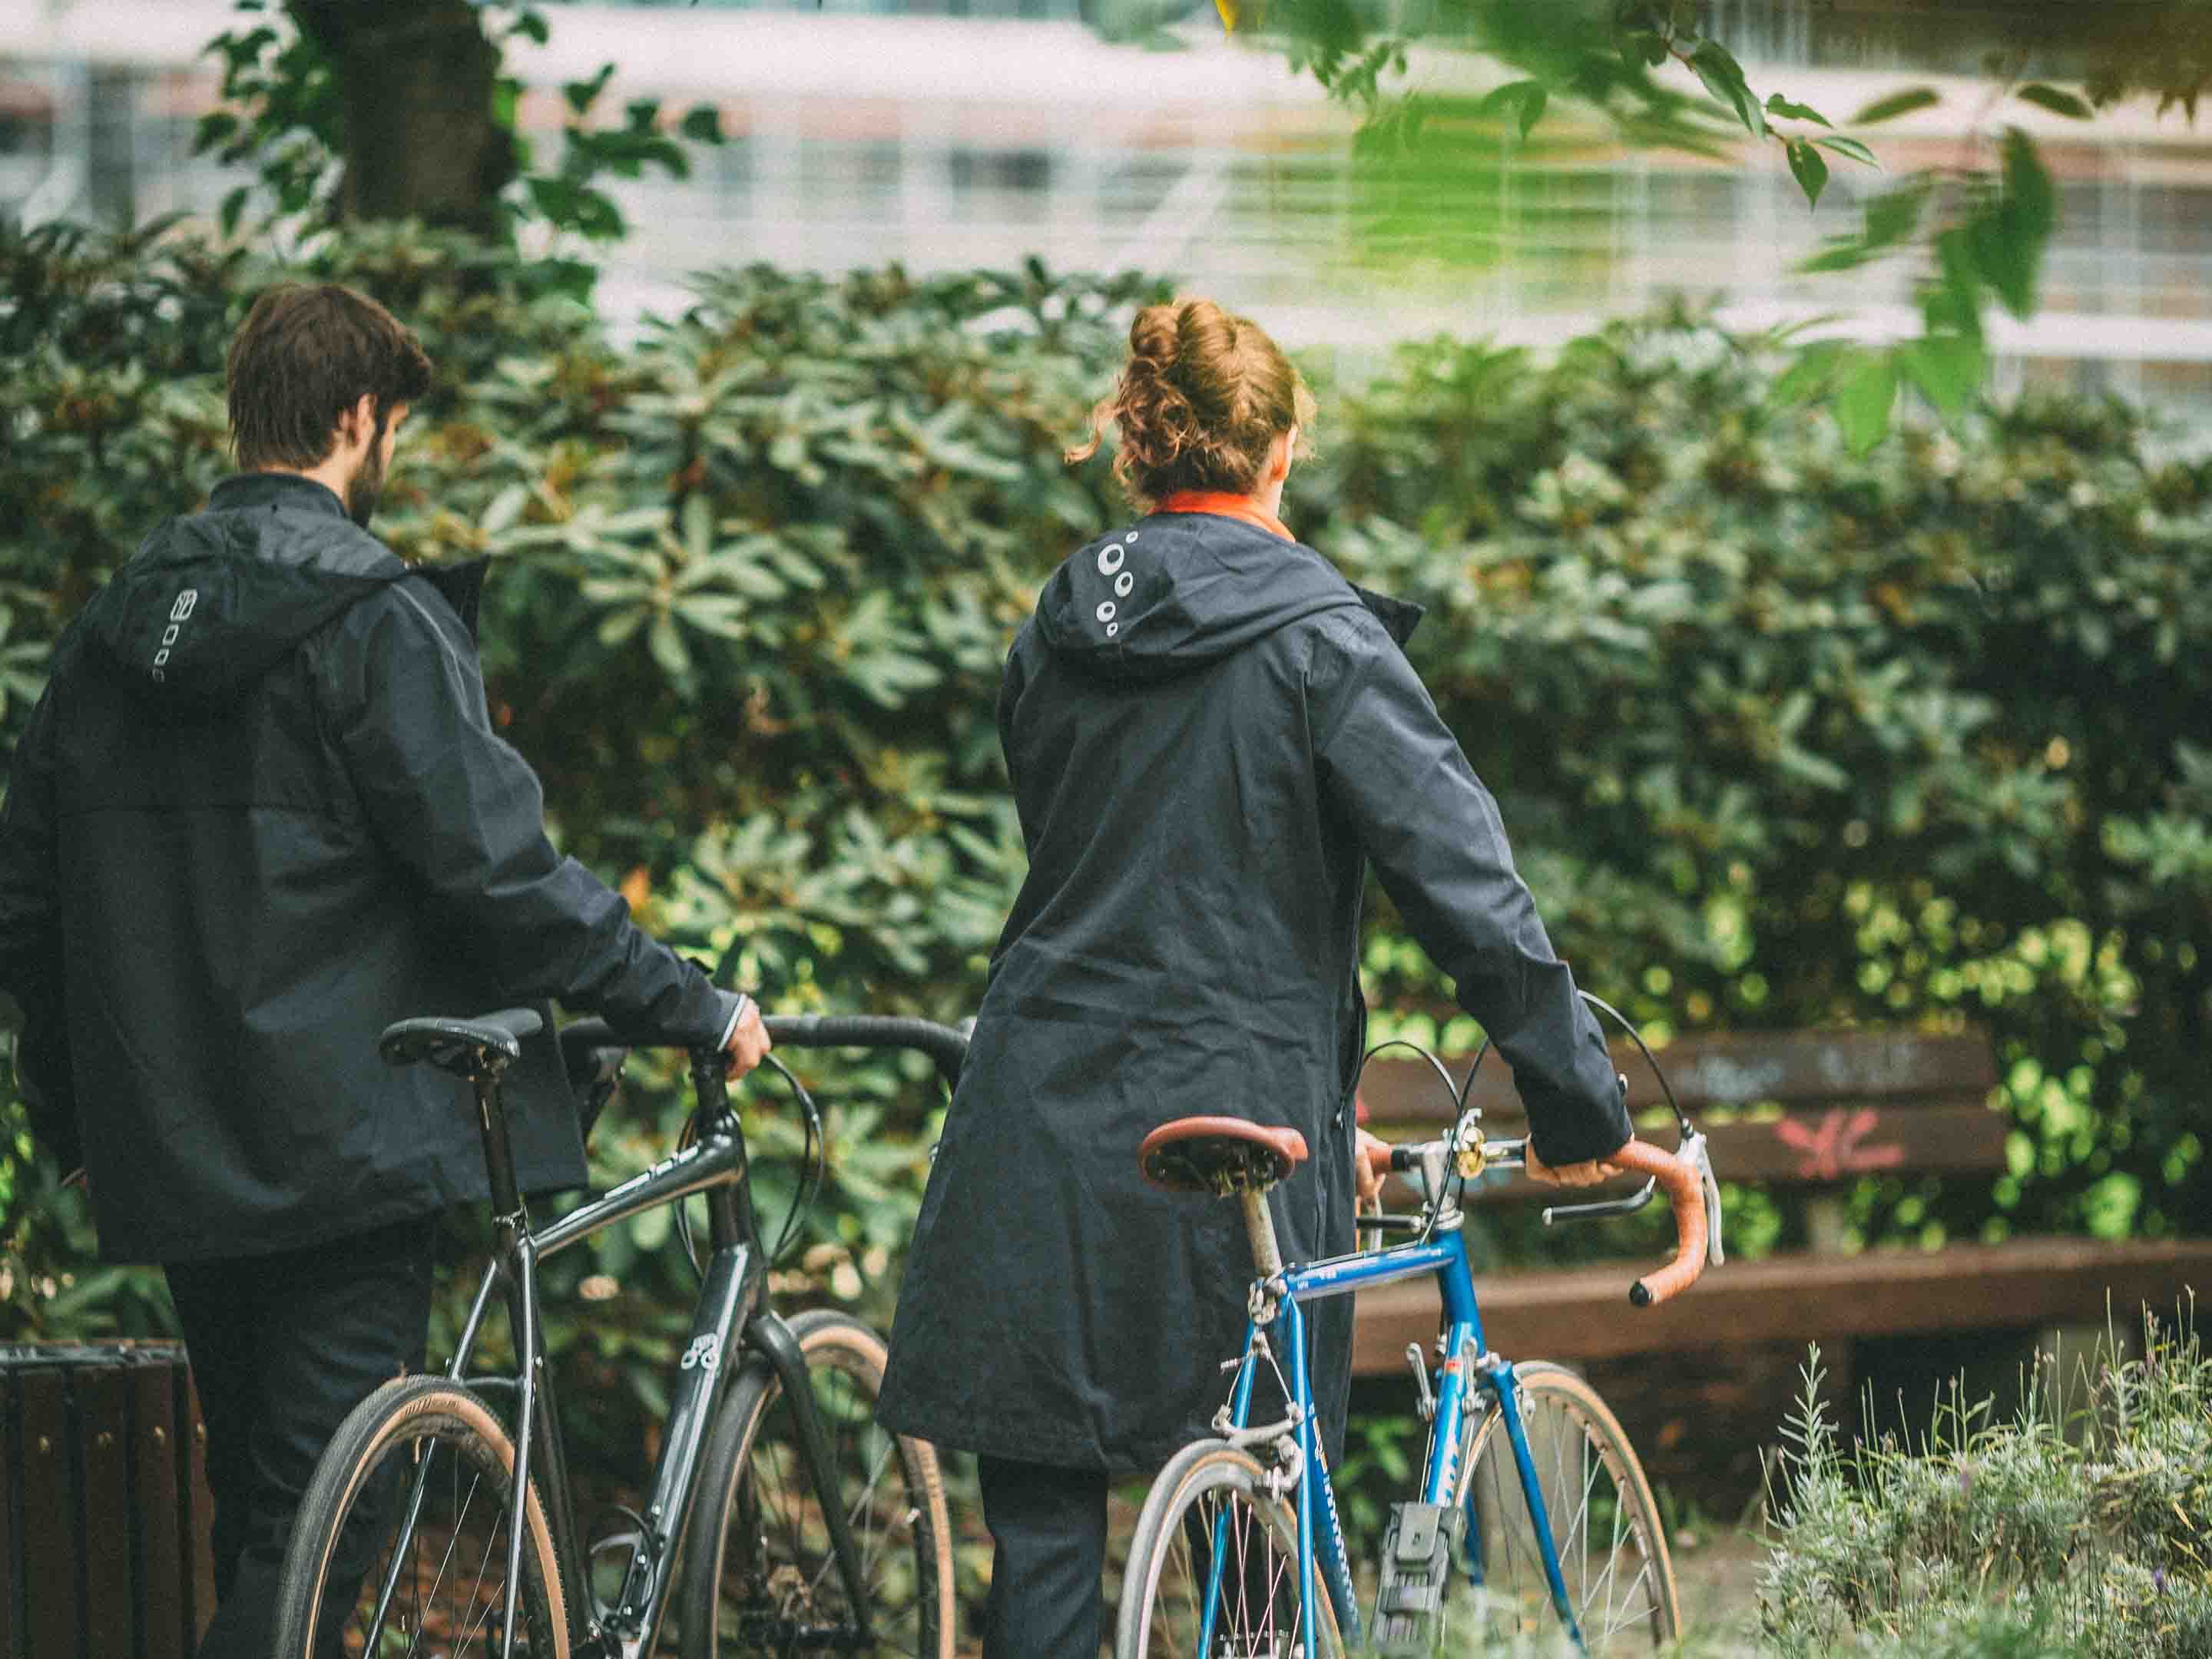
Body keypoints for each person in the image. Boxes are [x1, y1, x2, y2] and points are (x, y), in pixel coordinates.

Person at [0, 282, 771, 1657]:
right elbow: (502, 877)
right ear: (361, 418)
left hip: (174, 1148)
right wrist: (694, 1005)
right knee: (329, 1521)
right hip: (341, 1151)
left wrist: (75, 1120)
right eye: (392, 424)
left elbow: (28, 909)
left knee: (265, 1518)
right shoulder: (372, 618)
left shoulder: (107, 638)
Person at [873, 297, 1631, 1655]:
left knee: (1039, 1536)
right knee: (1263, 1540)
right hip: (1236, 1124)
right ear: (1281, 450)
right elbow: (1468, 891)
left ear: (1138, 450)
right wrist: (1580, 1101)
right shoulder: (1325, 640)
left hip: (1036, 1108)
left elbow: (1078, 855)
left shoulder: (1055, 631)